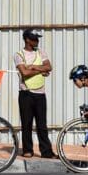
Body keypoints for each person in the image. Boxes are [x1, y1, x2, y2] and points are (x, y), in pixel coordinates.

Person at [14, 28, 56, 159]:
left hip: (40, 93)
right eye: (35, 38)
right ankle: (28, 150)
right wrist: (40, 69)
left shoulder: (41, 52)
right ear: (27, 39)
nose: (37, 41)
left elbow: (49, 67)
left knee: (42, 125)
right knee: (26, 123)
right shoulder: (19, 55)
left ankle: (46, 151)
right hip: (25, 93)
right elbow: (24, 73)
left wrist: (33, 67)